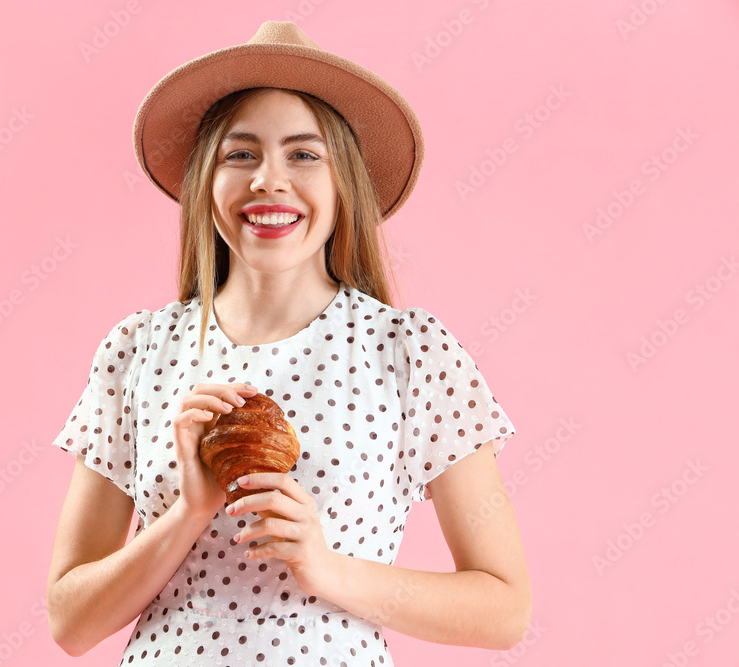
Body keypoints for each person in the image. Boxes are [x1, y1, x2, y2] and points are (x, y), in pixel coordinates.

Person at [45, 20, 531, 666]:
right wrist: (188, 512)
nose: (268, 180)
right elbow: (71, 620)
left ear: (342, 185)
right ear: (205, 183)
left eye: (303, 154)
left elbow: (503, 608)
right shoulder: (138, 351)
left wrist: (327, 568)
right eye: (240, 154)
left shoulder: (410, 352)